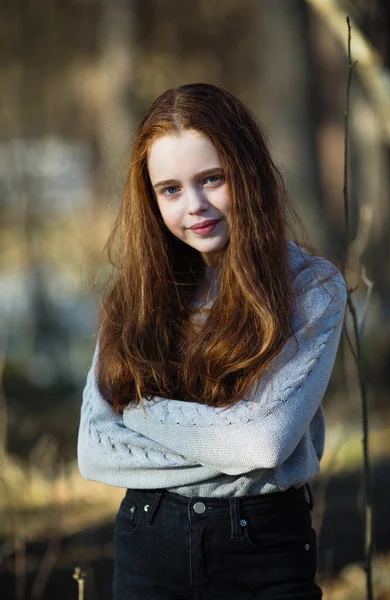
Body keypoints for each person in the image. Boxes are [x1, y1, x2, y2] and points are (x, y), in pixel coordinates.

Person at [77, 83, 347, 599]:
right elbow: (94, 451)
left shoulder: (311, 288)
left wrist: (138, 411)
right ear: (150, 198)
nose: (194, 206)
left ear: (247, 173)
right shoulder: (132, 297)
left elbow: (262, 441)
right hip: (147, 539)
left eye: (212, 179)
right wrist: (230, 437)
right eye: (170, 189)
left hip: (263, 547)